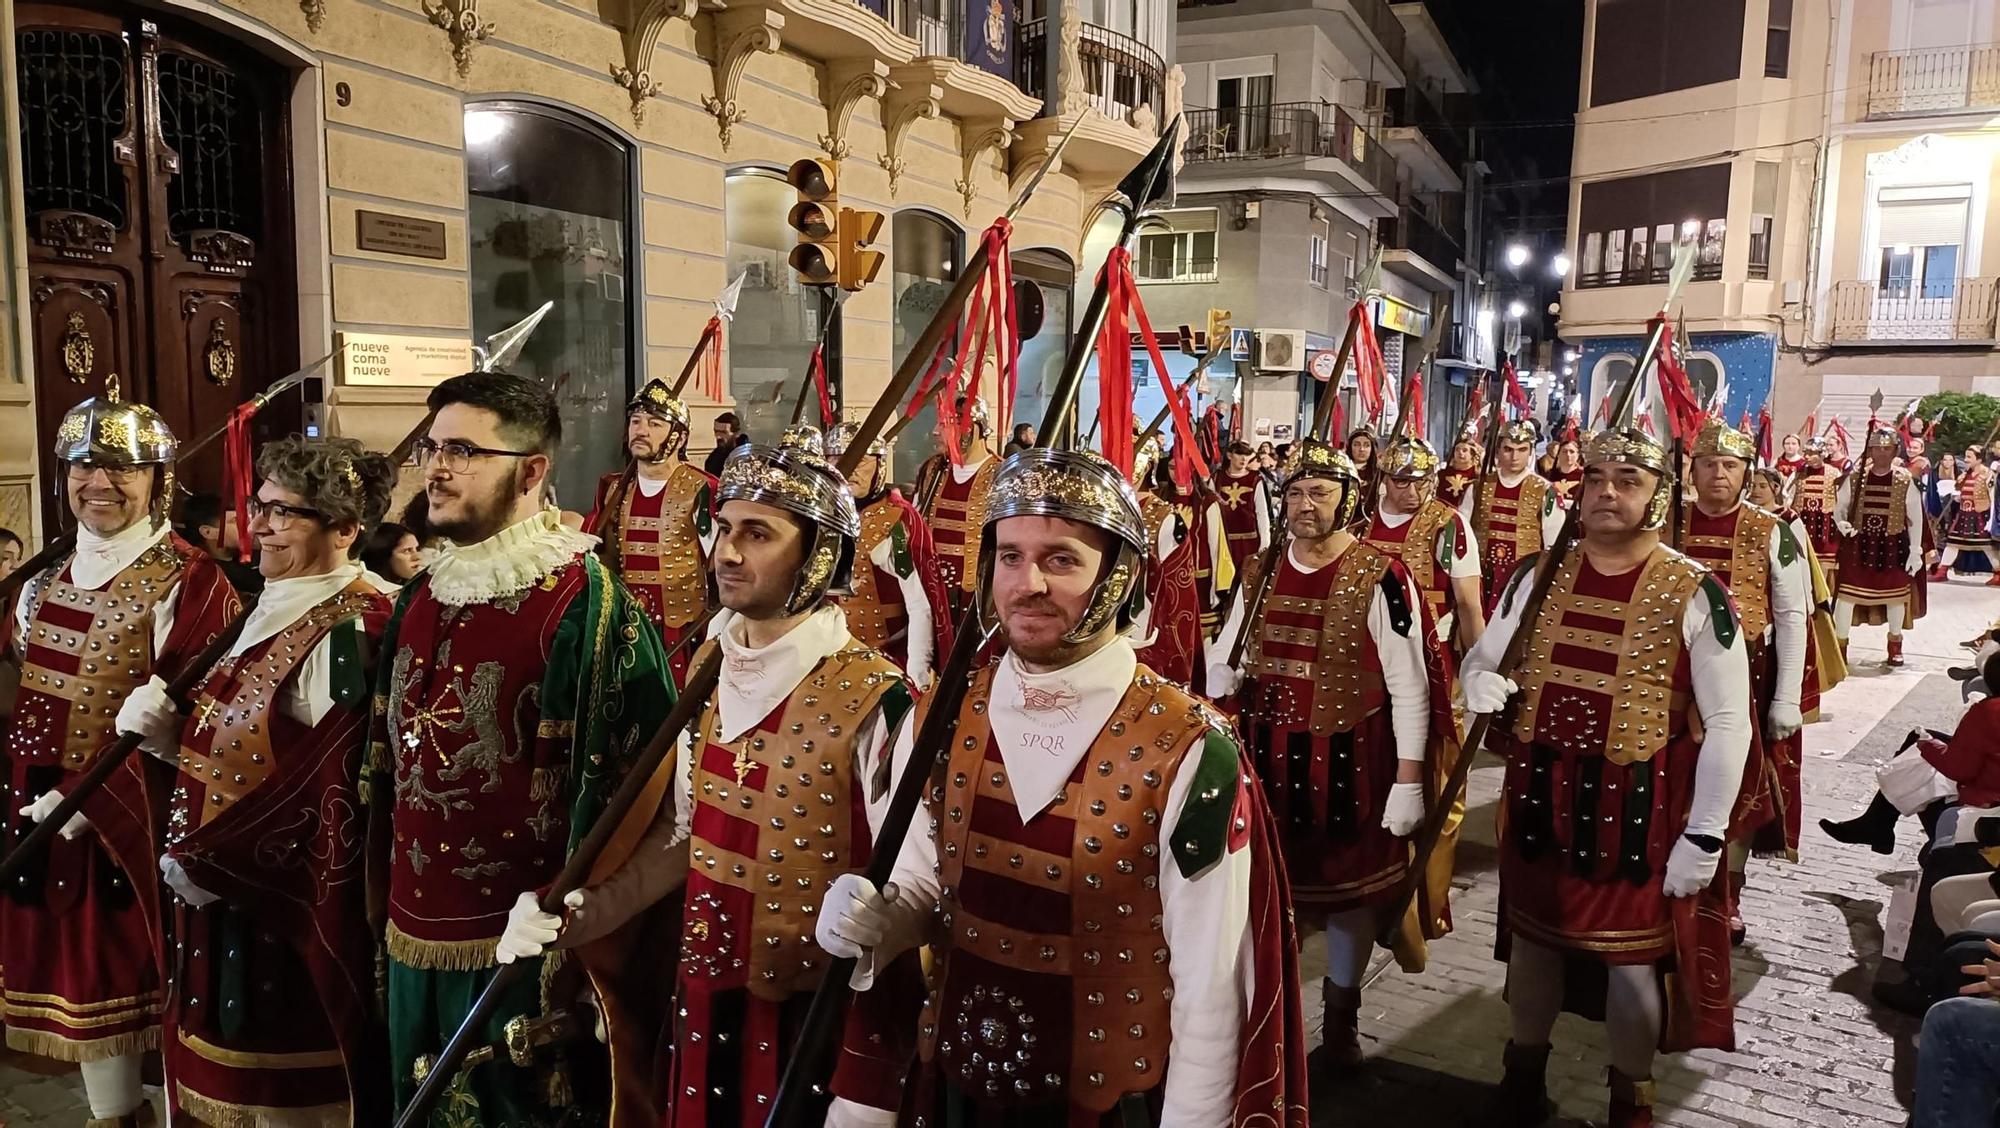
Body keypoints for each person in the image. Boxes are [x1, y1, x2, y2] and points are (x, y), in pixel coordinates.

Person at [816, 446, 1308, 1126]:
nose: (1028, 584)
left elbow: (1211, 988)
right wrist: (879, 919)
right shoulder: (942, 715)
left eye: (1061, 560)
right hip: (958, 1085)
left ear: (1119, 574)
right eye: (1011, 557)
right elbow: (929, 889)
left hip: (1112, 1103)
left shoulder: (1191, 751)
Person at [495, 424, 919, 1125]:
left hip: (816, 1024)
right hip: (705, 1002)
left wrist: (869, 1083)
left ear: (818, 556)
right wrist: (584, 911)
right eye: (724, 529)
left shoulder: (877, 698)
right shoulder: (708, 669)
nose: (725, 551)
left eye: (757, 534)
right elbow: (686, 838)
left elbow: (909, 899)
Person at [370, 371, 674, 1125]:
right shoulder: (419, 594)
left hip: (527, 965)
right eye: (432, 447)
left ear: (532, 471)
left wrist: (580, 930)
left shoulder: (589, 608)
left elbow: (652, 800)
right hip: (410, 936)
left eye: (464, 451)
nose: (436, 468)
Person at [1466, 425, 1750, 1128]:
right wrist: (1477, 684)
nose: (1608, 494)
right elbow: (1484, 658)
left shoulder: (1695, 591)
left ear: (1660, 495)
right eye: (1596, 479)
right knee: (1533, 942)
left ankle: (1632, 1095)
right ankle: (1521, 1073)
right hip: (1537, 799)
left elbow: (1728, 723)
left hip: (1637, 812)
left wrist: (1705, 835)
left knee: (1631, 963)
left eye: (1629, 482)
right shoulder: (1536, 575)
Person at [113, 436, 396, 1125]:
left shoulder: (350, 626)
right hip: (213, 894)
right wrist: (168, 741)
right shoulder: (266, 605)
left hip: (279, 909)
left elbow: (329, 790)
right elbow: (238, 753)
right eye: (258, 506)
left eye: (283, 513)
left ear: (346, 529)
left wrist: (228, 862)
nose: (259, 526)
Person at [4, 381, 241, 1127]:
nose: (98, 483)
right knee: (84, 994)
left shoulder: (193, 581)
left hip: (141, 823)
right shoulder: (37, 583)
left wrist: (94, 800)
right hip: (42, 823)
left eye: (121, 469)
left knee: (159, 990)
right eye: (82, 466)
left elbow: (214, 731)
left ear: (157, 481)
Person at [1205, 438, 1442, 1069]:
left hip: (1347, 766)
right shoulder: (1259, 569)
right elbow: (1229, 647)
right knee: (1260, 892)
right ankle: (1256, 1018)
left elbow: (1409, 684)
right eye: (1294, 492)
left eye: (1320, 492)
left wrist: (1410, 780)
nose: (1304, 505)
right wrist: (1217, 678)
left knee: (1346, 897)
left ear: (1349, 498)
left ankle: (1340, 1019)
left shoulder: (1382, 577)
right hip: (1264, 758)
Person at [1682, 419, 1812, 943]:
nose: (1718, 474)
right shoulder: (1666, 522)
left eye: (1730, 465)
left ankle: (1727, 896)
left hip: (1748, 677)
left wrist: (1784, 699)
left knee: (1738, 787)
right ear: (1691, 470)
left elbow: (1792, 615)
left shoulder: (1772, 530)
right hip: (1672, 674)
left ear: (1746, 472)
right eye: (1708, 463)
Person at [588, 378, 718, 685]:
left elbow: (719, 563)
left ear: (679, 437)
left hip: (680, 629)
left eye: (655, 424)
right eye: (635, 421)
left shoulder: (703, 488)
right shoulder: (613, 488)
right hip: (625, 625)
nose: (641, 430)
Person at [826, 421, 949, 690]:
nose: (851, 469)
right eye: (839, 459)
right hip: (826, 656)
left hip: (884, 658)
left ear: (880, 465)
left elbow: (918, 603)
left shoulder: (894, 521)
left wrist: (917, 670)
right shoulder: (821, 517)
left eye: (862, 460)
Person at [1363, 436, 1485, 653]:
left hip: (1427, 646)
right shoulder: (1361, 520)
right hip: (1362, 640)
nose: (1412, 493)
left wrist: (1476, 667)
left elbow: (1469, 605)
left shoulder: (1448, 524)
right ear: (1384, 479)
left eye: (1421, 483)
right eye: (1401, 481)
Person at [1129, 435, 1232, 690]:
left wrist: (1218, 591)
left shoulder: (1175, 511)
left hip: (1163, 608)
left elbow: (1215, 545)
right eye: (1172, 467)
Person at [1834, 428, 1927, 666]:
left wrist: (1916, 551)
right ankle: (1840, 647)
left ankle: (1895, 643)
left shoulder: (1905, 480)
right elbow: (1840, 508)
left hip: (1892, 547)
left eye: (1887, 449)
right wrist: (1842, 523)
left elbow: (1915, 518)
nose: (1882, 453)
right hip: (1858, 546)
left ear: (1896, 450)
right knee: (1846, 597)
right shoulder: (1855, 478)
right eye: (1877, 448)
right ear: (1870, 450)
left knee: (1895, 597)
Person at [1462, 419, 1565, 617]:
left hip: (1524, 578)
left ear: (1530, 451)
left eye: (1522, 449)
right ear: (1498, 449)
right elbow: (1463, 532)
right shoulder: (1477, 487)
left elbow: (1553, 543)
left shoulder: (1545, 491)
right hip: (1480, 576)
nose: (1514, 456)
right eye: (1508, 449)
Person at [913, 394, 1000, 616]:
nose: (935, 431)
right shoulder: (932, 469)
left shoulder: (1001, 474)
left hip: (977, 598)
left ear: (970, 427)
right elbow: (911, 523)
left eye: (944, 424)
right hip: (929, 594)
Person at [176, 490, 265, 596]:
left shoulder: (256, 556)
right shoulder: (214, 579)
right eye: (236, 521)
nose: (250, 526)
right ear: (208, 532)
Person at [1214, 439, 1272, 588]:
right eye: (1239, 454)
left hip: (1249, 541)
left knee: (1247, 582)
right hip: (1224, 540)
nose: (1244, 459)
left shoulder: (1255, 480)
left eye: (1246, 455)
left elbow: (1262, 512)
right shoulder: (1217, 479)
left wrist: (1265, 541)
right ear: (1229, 455)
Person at [1937, 448, 1999, 583]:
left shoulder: (1988, 475)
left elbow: (1993, 496)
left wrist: (1992, 518)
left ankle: (1998, 574)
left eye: (1969, 457)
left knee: (1987, 545)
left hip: (1981, 515)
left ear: (1979, 459)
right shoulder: (1966, 474)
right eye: (1966, 456)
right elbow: (1961, 490)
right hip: (1964, 513)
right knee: (1953, 542)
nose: (1965, 460)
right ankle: (1942, 571)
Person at [1794, 436, 1845, 591]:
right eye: (1806, 453)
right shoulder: (1800, 472)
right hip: (1803, 521)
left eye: (1812, 453)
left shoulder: (1834, 473)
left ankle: (1821, 593)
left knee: (1824, 562)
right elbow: (1789, 494)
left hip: (1824, 525)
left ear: (1822, 454)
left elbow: (1841, 498)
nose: (1807, 457)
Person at [362, 520, 426, 588]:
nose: (417, 557)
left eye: (417, 549)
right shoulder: (368, 591)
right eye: (407, 550)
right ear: (384, 555)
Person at [1438, 435, 1481, 510]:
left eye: (1464, 450)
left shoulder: (1477, 477)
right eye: (1457, 450)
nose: (1460, 453)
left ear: (1472, 454)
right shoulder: (1442, 474)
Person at [704, 410, 751, 477]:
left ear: (736, 433)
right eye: (716, 431)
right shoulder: (713, 458)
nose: (718, 436)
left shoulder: (747, 457)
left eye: (723, 432)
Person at [1547, 436, 1584, 509]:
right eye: (1564, 451)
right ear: (1558, 455)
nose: (1568, 455)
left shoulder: (1583, 475)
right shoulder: (1550, 474)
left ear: (1578, 455)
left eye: (1572, 452)